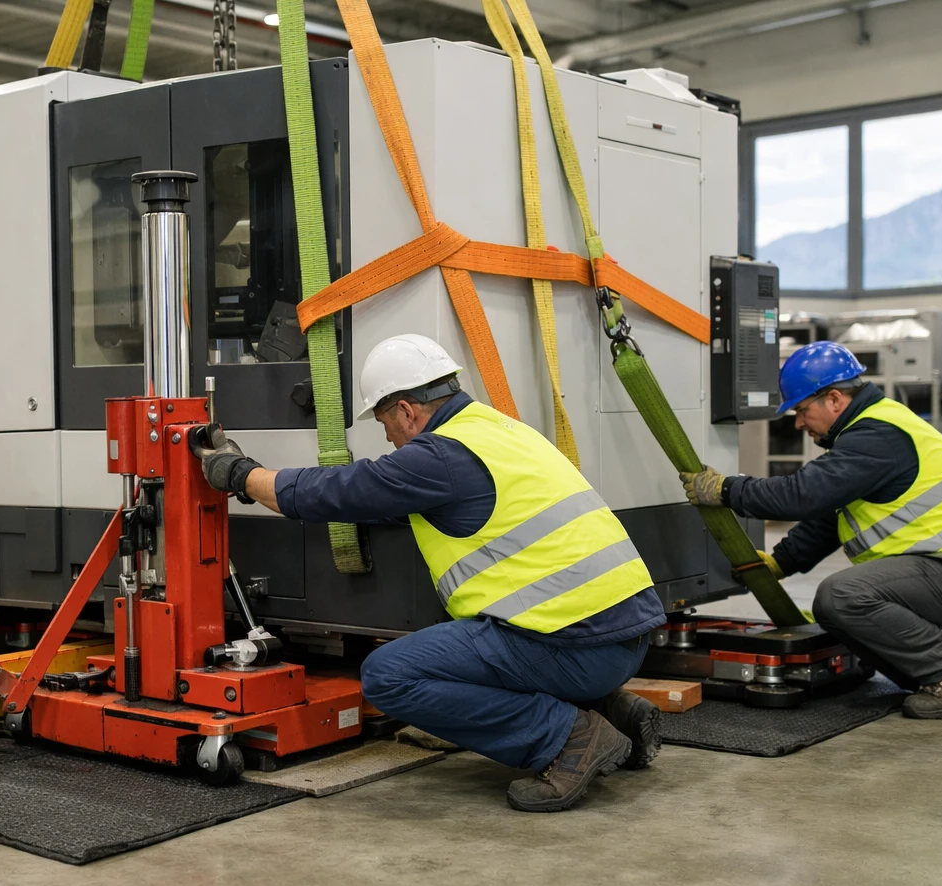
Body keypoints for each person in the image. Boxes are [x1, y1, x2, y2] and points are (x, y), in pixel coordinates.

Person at [192, 334, 666, 812]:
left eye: (384, 425)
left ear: (406, 410)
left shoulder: (439, 455)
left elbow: (338, 490)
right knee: (470, 641)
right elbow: (390, 497)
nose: (388, 439)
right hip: (625, 640)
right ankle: (614, 712)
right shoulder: (500, 430)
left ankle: (567, 737)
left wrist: (239, 475)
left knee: (389, 676)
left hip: (575, 647)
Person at [680, 341, 942, 719]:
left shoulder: (876, 436)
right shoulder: (872, 429)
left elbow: (803, 495)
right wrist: (781, 562)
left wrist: (726, 489)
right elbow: (831, 514)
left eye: (801, 409)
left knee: (842, 598)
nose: (798, 422)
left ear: (835, 400)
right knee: (842, 616)